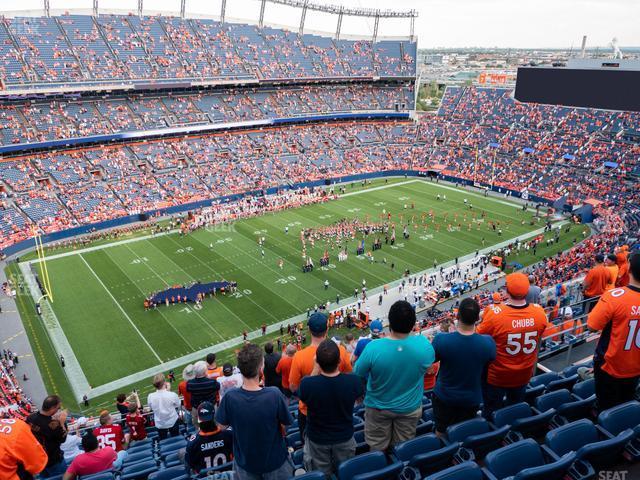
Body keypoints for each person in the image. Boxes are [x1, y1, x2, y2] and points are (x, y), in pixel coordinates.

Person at [354, 300, 435, 452]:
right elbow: (429, 368)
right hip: (409, 408)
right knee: (402, 449)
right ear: (413, 323)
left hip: (378, 407)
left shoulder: (373, 347)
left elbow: (357, 372)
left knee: (377, 450)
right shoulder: (424, 345)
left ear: (389, 322)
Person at [216, 343, 294, 480]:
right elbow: (286, 423)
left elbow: (221, 427)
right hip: (274, 462)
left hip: (246, 463)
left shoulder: (230, 397)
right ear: (260, 367)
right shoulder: (274, 394)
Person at [477, 273, 548, 419]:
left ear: (507, 291)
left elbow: (477, 337)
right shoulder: (539, 312)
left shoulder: (496, 315)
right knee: (515, 409)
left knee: (491, 410)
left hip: (499, 375)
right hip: (524, 373)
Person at [431, 298, 496, 435]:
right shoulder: (488, 343)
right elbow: (489, 360)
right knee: (465, 431)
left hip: (445, 397)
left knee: (441, 431)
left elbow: (431, 362)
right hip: (471, 397)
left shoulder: (441, 340)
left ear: (457, 316)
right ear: (478, 318)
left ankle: (443, 454)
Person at [299, 339, 364, 475]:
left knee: (322, 475)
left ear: (317, 362)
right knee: (346, 473)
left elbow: (303, 399)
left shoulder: (307, 384)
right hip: (344, 437)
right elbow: (359, 400)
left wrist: (317, 366)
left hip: (318, 440)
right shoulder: (353, 381)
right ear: (339, 360)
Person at [587, 252, 640, 411]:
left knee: (606, 407)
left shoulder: (615, 296)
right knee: (626, 404)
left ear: (629, 268)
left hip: (611, 365)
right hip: (636, 366)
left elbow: (591, 326)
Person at [289, 313, 352, 440]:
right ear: (327, 329)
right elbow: (349, 377)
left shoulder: (299, 356)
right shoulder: (341, 350)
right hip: (337, 406)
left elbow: (293, 387)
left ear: (309, 330)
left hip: (309, 410)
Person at [184, 402, 233, 474]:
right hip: (228, 475)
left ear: (199, 418)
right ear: (214, 416)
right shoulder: (229, 434)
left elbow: (190, 465)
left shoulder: (193, 442)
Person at [27, 395, 68, 477]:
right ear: (52, 408)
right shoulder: (53, 424)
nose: (58, 410)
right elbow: (63, 439)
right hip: (54, 461)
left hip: (40, 461)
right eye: (58, 408)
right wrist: (62, 423)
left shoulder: (30, 418)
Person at [63, 432, 127, 479]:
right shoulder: (108, 450)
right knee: (122, 453)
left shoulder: (77, 460)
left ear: (83, 447)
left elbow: (66, 478)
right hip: (111, 475)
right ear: (97, 443)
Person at [147, 373, 180, 439]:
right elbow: (178, 404)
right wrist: (168, 391)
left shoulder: (150, 396)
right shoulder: (172, 394)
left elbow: (150, 407)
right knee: (175, 438)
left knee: (163, 440)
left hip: (160, 423)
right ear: (164, 383)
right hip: (172, 420)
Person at [187, 361, 220, 427]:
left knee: (199, 428)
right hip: (211, 407)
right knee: (215, 426)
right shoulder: (212, 382)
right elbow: (217, 387)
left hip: (197, 408)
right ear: (205, 372)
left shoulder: (190, 383)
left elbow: (188, 389)